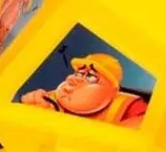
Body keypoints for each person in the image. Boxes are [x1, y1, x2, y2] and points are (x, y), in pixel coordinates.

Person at [20, 53, 148, 126]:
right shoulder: (51, 99)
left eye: (90, 76)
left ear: (112, 90)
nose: (73, 78)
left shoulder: (127, 105)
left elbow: (148, 126)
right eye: (78, 73)